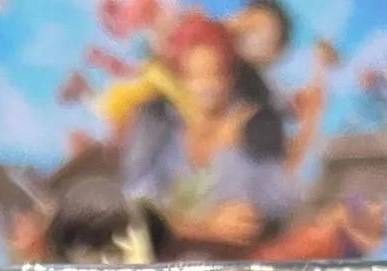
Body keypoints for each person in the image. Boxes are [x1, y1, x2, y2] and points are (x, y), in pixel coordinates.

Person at [122, 12, 301, 251]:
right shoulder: (156, 122)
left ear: (231, 76)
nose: (207, 86)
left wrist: (250, 214)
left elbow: (279, 200)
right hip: (168, 257)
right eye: (193, 76)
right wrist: (204, 225)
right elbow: (136, 205)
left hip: (238, 257)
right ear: (177, 78)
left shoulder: (252, 123)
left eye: (216, 74)